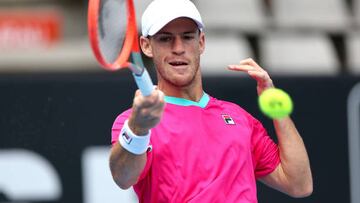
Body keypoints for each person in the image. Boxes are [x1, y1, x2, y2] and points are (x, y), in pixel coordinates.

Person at [109, 0, 313, 202]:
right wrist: (138, 129)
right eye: (165, 39)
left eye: (187, 37)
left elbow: (299, 184)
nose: (178, 48)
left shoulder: (239, 118)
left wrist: (276, 105)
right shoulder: (132, 122)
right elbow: (123, 178)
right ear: (146, 46)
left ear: (201, 42)